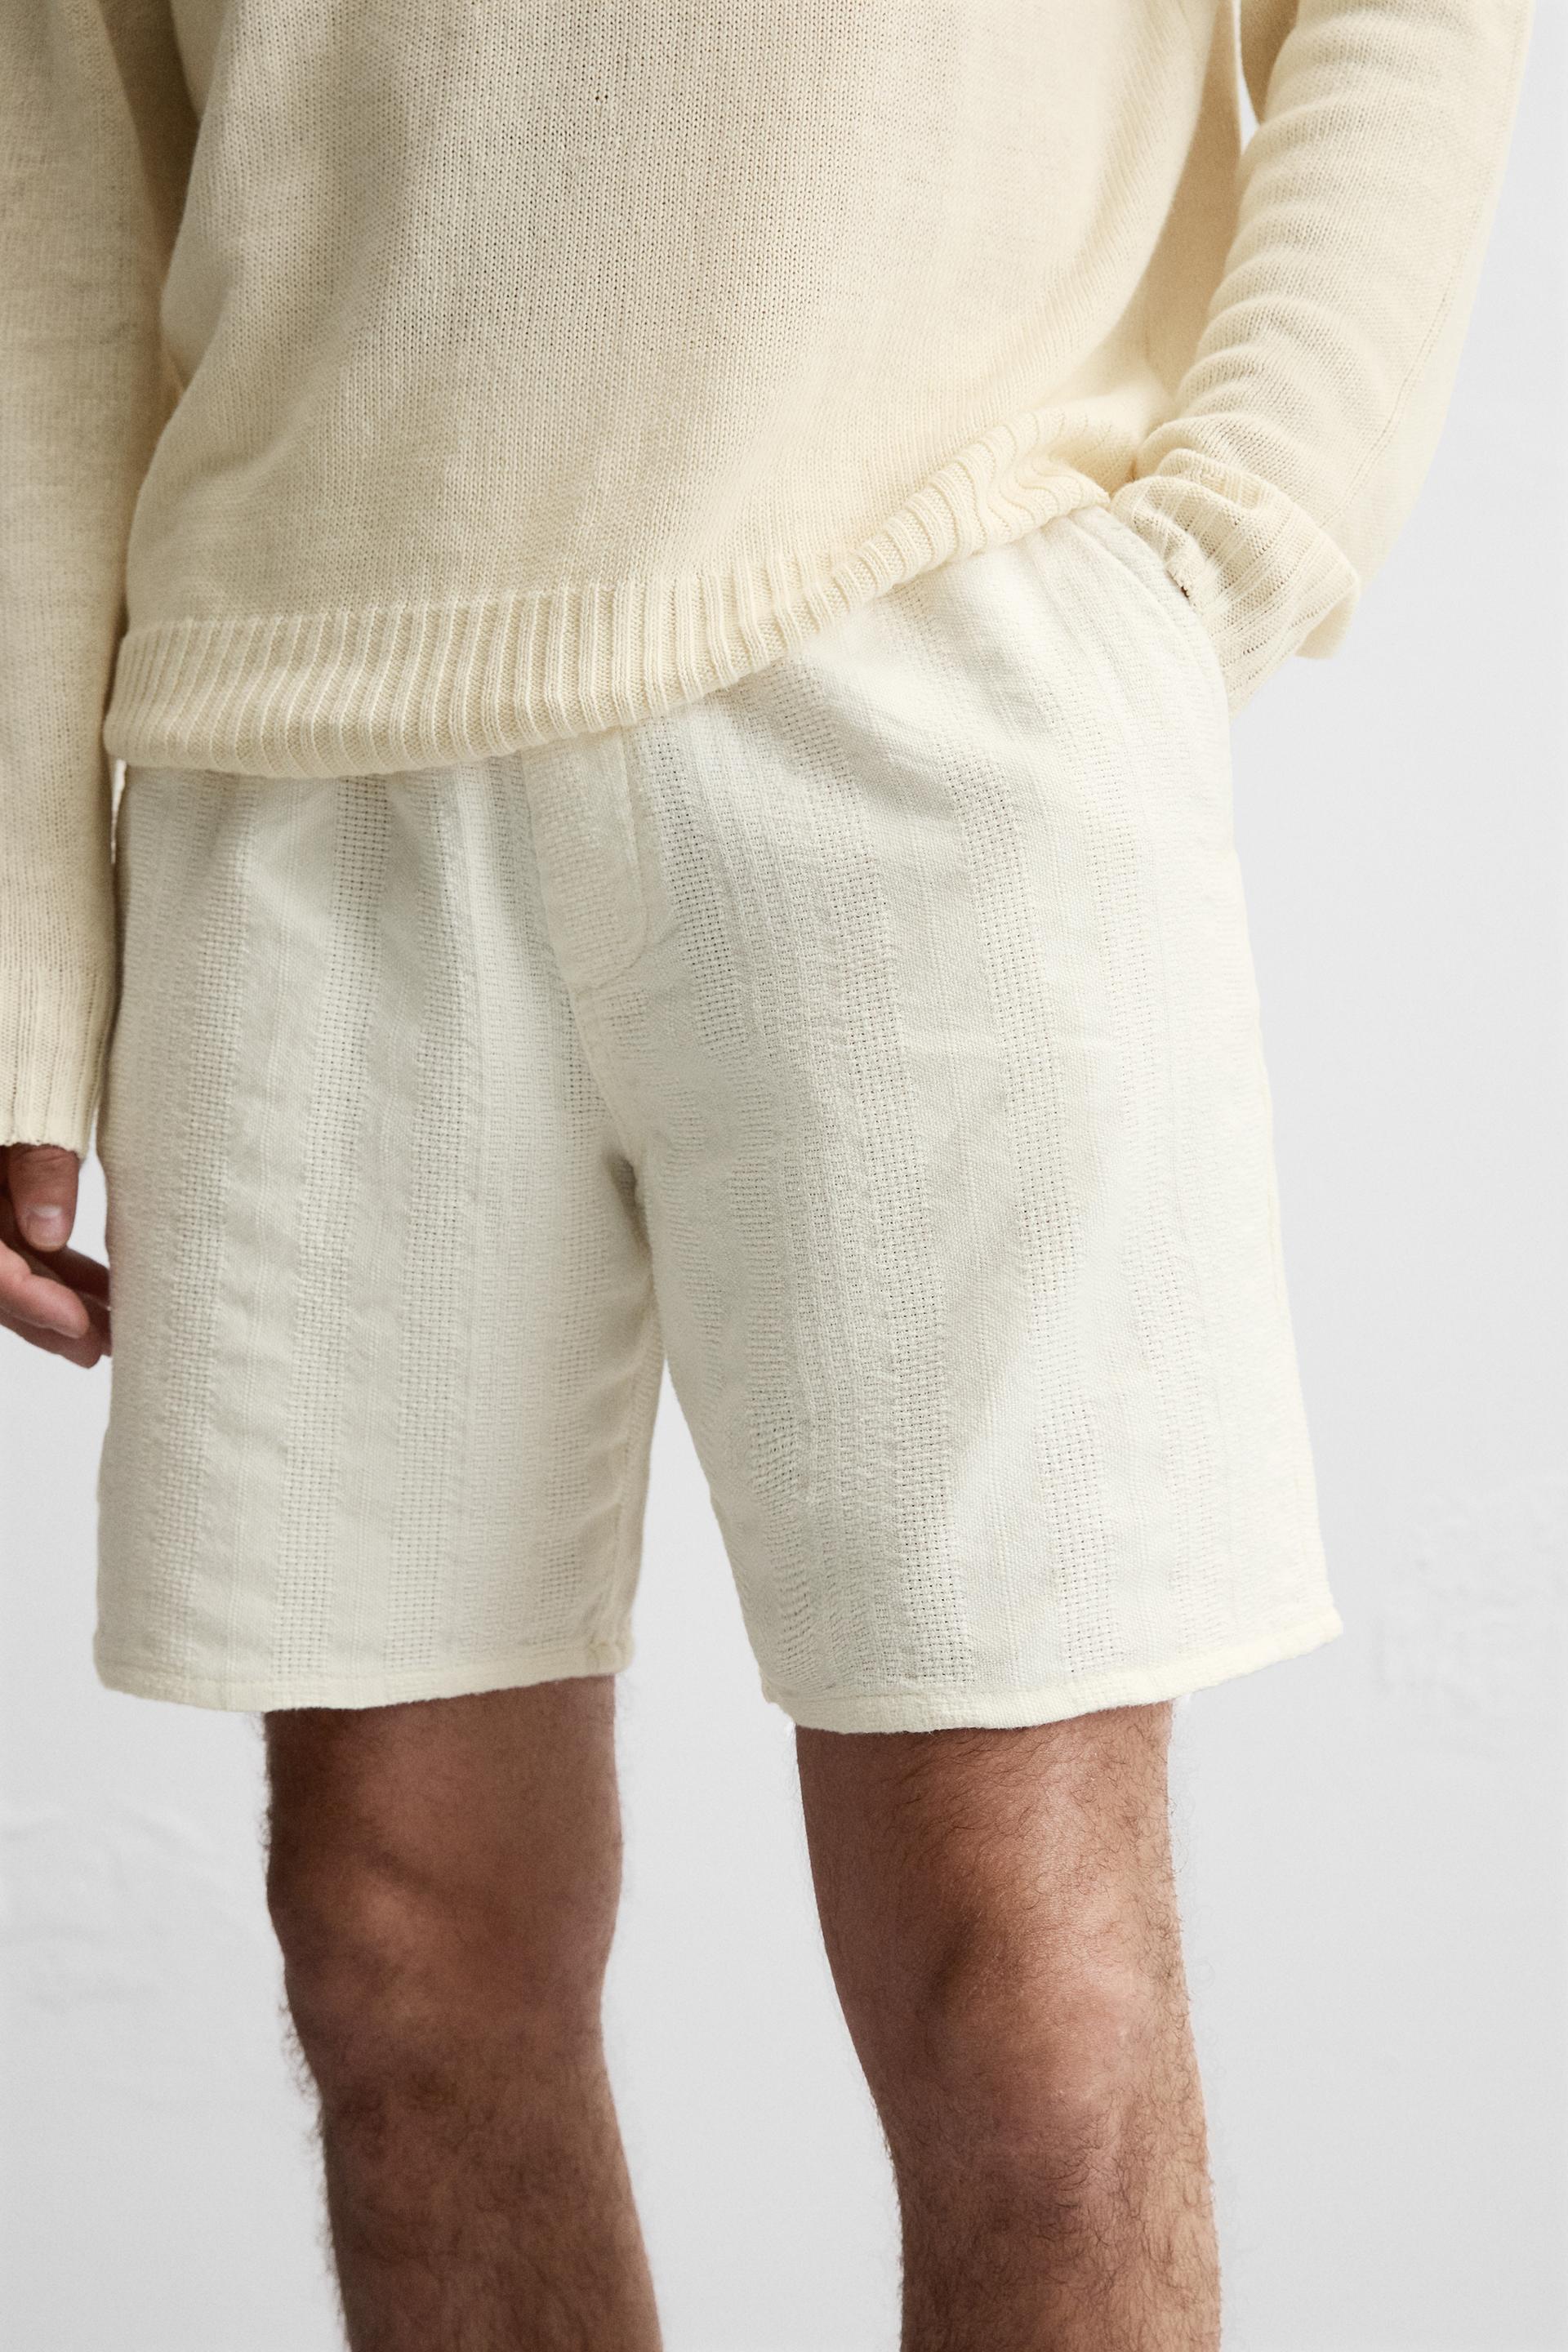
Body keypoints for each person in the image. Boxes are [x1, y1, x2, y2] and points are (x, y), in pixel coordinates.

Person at [0, 2, 1531, 2343]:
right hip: (293, 739)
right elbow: (51, 162)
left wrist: (1248, 528)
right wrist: (26, 946)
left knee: (1027, 2005)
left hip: (926, 654)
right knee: (399, 1955)